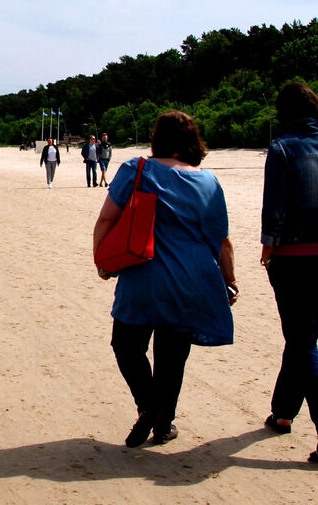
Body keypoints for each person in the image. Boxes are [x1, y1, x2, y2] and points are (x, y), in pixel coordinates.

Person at [94, 111, 237, 447]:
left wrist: (102, 260)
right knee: (172, 357)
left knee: (127, 345)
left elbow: (106, 220)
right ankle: (162, 422)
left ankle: (148, 406)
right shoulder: (209, 183)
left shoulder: (136, 170)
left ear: (157, 138)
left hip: (143, 275)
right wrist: (229, 280)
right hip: (192, 281)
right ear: (192, 142)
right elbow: (222, 241)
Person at [260, 82, 318, 465]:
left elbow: (274, 206)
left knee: (301, 340)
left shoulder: (281, 148)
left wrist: (268, 247)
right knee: (303, 336)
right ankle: (283, 412)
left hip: (292, 255)